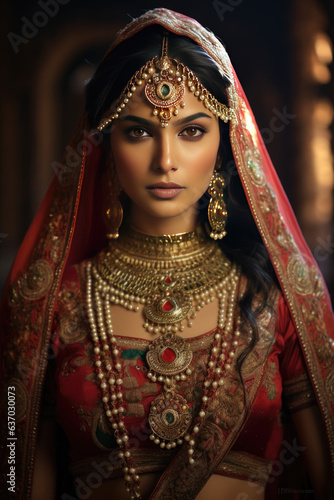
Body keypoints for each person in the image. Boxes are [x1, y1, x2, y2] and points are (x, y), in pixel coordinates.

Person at [1, 8, 333, 500]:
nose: (166, 161)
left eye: (191, 131)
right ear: (106, 143)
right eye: (138, 132)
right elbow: (14, 472)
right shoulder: (52, 304)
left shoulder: (277, 298)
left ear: (225, 146)